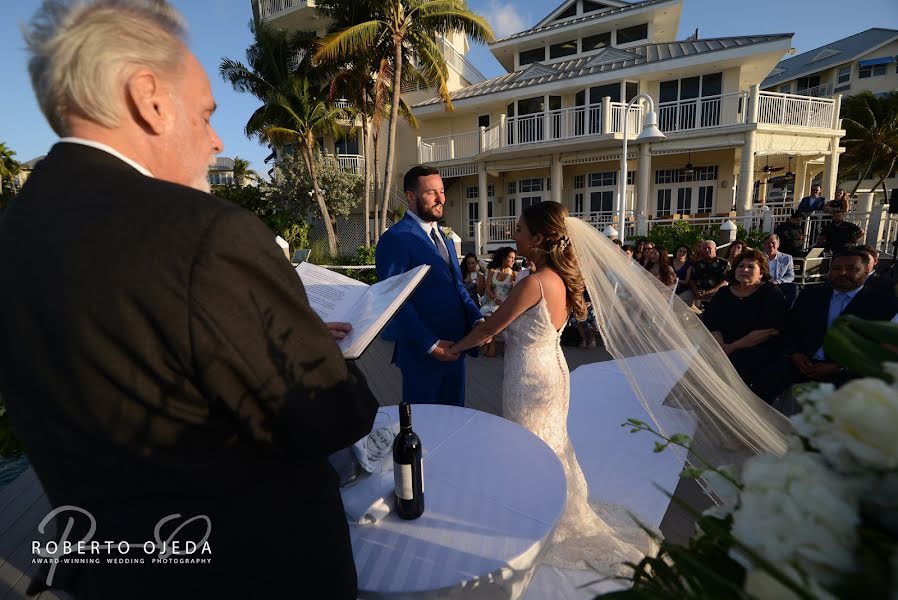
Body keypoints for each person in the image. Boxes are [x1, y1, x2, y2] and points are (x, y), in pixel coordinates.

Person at [0, 2, 379, 599]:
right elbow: (330, 415)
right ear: (150, 98)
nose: (217, 139)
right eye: (205, 114)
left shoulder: (13, 235)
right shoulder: (203, 234)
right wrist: (324, 348)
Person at [447, 202, 790, 581]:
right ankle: (551, 507)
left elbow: (488, 330)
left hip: (530, 377)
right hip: (553, 369)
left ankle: (538, 516)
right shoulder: (557, 280)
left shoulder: (533, 282)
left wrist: (453, 347)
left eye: (520, 230)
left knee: (531, 444)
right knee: (551, 442)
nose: (515, 235)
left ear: (540, 238)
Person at [376, 165, 483, 406]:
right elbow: (395, 300)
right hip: (423, 353)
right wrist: (431, 345)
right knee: (426, 428)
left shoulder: (443, 237)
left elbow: (458, 285)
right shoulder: (396, 239)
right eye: (431, 193)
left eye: (442, 191)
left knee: (455, 420)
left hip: (456, 348)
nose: (440, 198)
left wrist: (477, 320)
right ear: (411, 197)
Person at [752, 250, 898, 410]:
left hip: (849, 369)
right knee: (761, 383)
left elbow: (879, 349)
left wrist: (839, 367)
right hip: (803, 362)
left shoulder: (884, 305)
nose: (842, 273)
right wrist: (795, 354)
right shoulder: (811, 296)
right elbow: (792, 328)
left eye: (851, 268)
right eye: (836, 268)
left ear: (866, 271)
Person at [702, 249, 787, 389]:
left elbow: (767, 330)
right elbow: (712, 323)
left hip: (755, 346)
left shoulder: (770, 293)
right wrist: (720, 346)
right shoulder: (723, 293)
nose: (744, 269)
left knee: (738, 361)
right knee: (702, 358)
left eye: (751, 267)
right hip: (723, 344)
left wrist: (731, 348)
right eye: (741, 266)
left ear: (761, 274)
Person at [480, 246, 517, 356]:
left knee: (492, 316)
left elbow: (515, 292)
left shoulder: (514, 274)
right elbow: (487, 288)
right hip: (492, 302)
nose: (513, 260)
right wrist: (495, 298)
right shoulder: (493, 271)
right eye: (511, 257)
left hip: (505, 305)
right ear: (503, 258)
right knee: (487, 315)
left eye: (514, 258)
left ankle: (491, 344)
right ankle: (492, 344)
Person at [682, 240, 729, 310]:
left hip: (715, 293)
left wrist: (708, 292)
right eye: (704, 248)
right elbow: (692, 280)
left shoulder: (724, 264)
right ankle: (698, 314)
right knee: (680, 300)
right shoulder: (697, 264)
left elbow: (725, 282)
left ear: (715, 249)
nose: (707, 250)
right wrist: (696, 291)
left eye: (709, 248)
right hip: (697, 292)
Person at [763, 234, 798, 308]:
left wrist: (777, 281)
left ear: (778, 244)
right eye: (767, 243)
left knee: (794, 288)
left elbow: (791, 276)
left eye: (773, 242)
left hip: (779, 284)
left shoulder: (787, 258)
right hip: (762, 284)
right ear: (764, 245)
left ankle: (787, 311)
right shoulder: (759, 257)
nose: (770, 245)